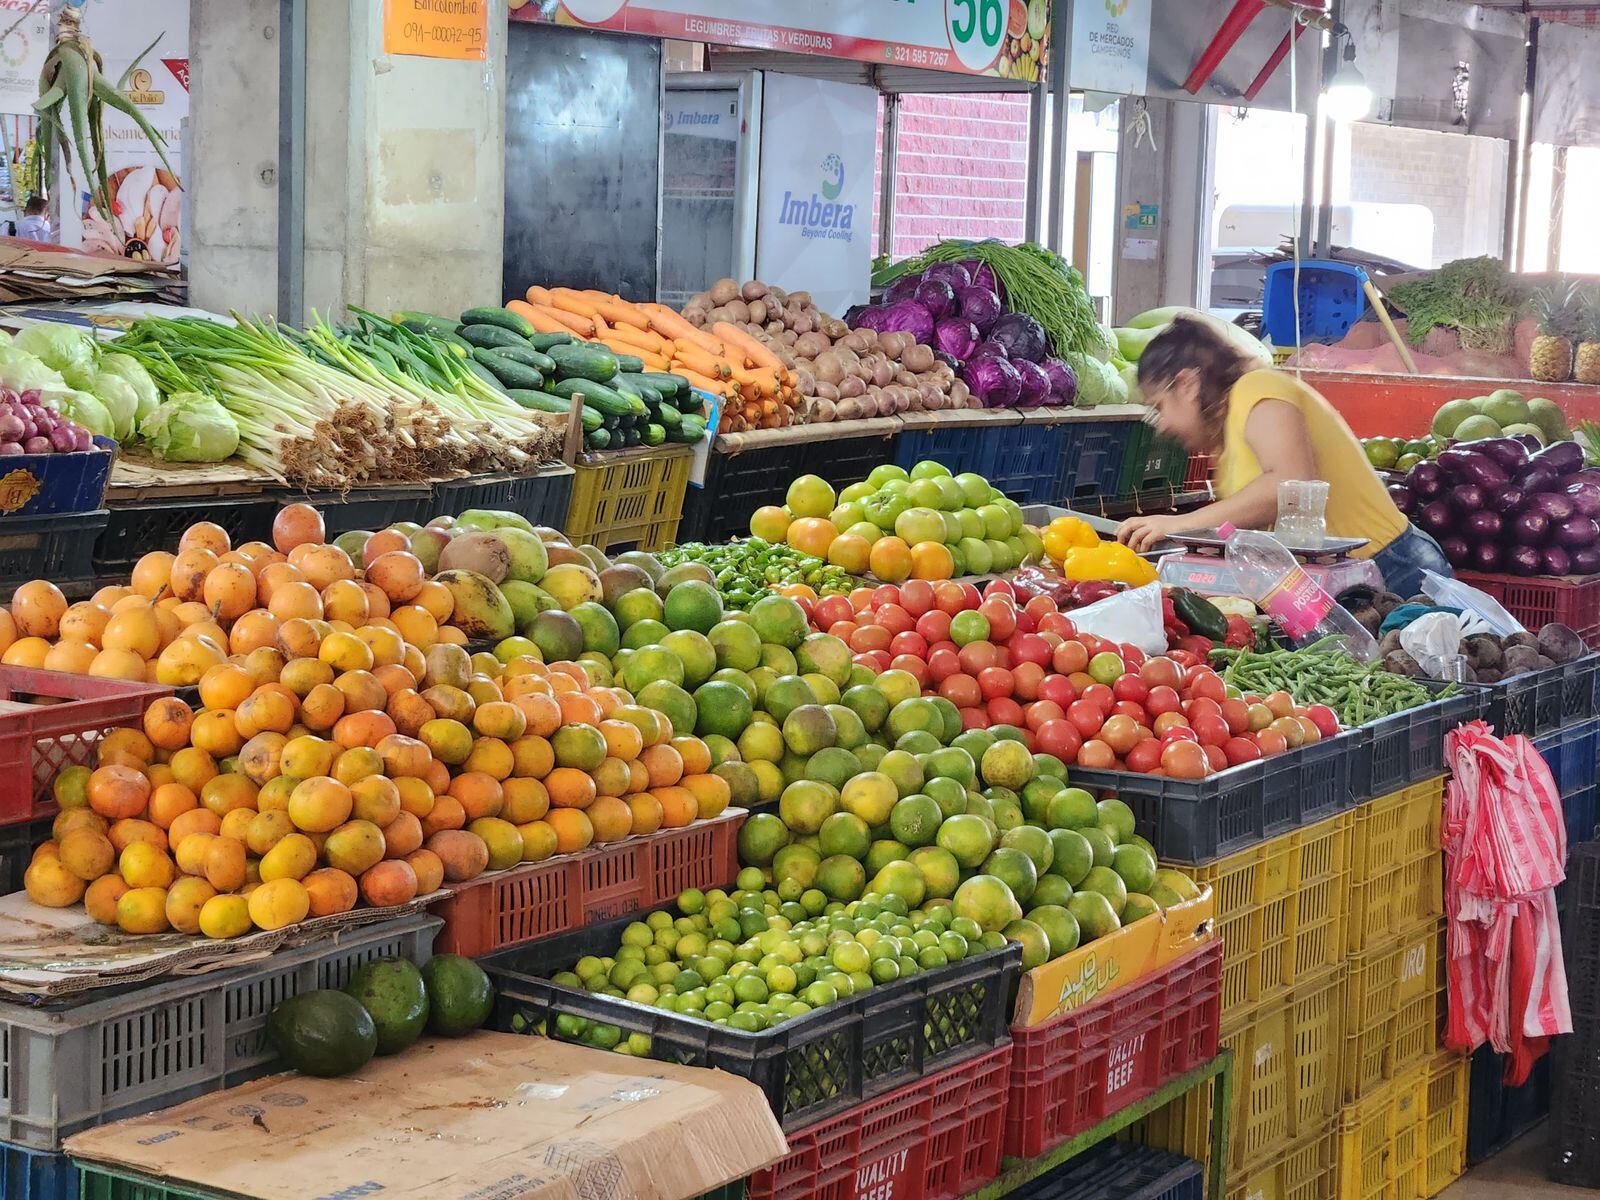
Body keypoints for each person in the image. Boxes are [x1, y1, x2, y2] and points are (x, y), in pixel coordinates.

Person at [1115, 317, 1452, 597]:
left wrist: (1179, 524)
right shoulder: (1231, 434)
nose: (1161, 427)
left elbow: (1292, 484)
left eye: (1159, 407)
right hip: (1342, 581)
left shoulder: (1257, 388)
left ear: (1186, 384)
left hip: (1393, 570)